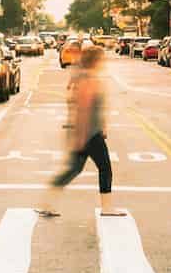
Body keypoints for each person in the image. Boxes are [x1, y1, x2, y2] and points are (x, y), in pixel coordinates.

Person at [37, 45, 120, 218]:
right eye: (102, 59)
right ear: (96, 61)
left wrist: (102, 125)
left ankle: (47, 202)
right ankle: (107, 208)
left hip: (89, 132)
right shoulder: (88, 80)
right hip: (89, 133)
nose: (104, 62)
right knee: (105, 168)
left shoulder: (86, 77)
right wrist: (81, 137)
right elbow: (83, 110)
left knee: (74, 169)